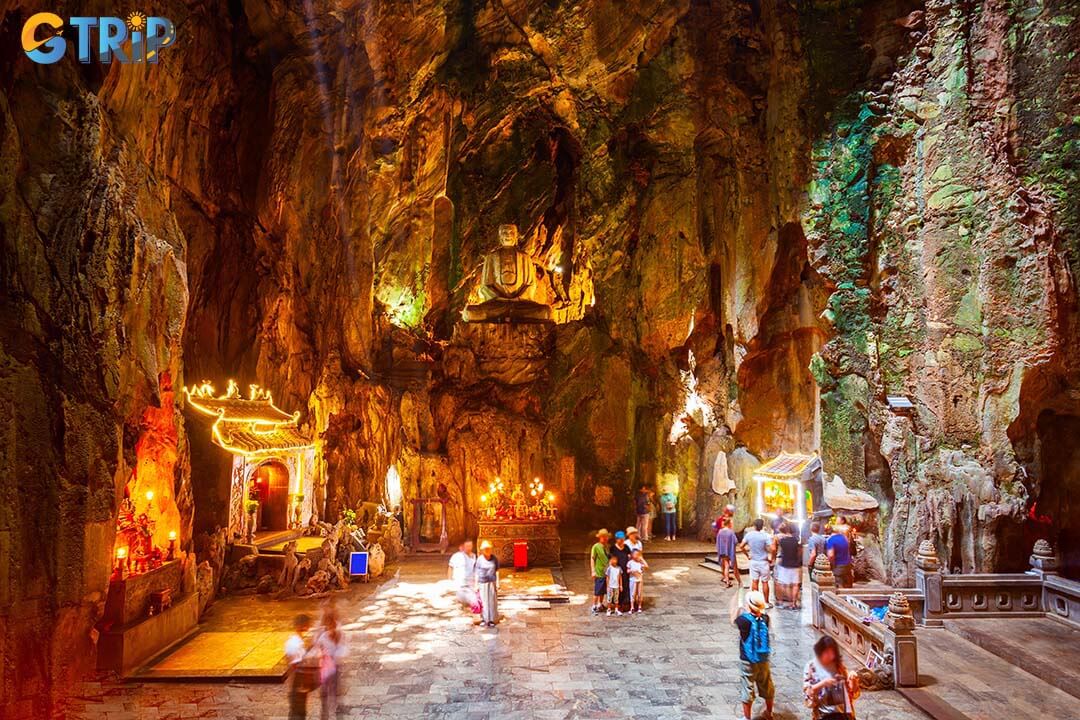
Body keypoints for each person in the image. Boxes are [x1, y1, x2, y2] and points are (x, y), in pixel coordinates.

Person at [730, 590, 774, 720]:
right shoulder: (766, 618)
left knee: (747, 687)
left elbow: (733, 619)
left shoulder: (743, 621)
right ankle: (769, 712)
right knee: (767, 685)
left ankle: (747, 717)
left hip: (748, 660)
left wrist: (735, 605)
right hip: (763, 659)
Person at [803, 635, 860, 720]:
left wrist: (853, 680)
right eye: (826, 652)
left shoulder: (839, 666)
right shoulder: (812, 667)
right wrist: (823, 683)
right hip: (824, 715)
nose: (830, 656)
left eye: (832, 653)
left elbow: (852, 693)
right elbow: (808, 692)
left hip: (844, 714)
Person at [285, 613, 320, 720]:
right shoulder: (295, 644)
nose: (308, 627)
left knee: (299, 711)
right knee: (298, 713)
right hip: (298, 682)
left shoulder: (295, 641)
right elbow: (295, 666)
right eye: (307, 625)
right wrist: (300, 685)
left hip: (298, 682)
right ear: (302, 625)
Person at [315, 604, 346, 720]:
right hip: (326, 665)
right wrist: (322, 654)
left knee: (334, 687)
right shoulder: (323, 635)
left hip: (334, 666)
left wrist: (335, 658)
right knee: (326, 688)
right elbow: (318, 646)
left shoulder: (338, 634)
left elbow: (342, 649)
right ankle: (325, 710)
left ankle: (335, 706)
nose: (331, 629)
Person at [739, 519, 775, 607]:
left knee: (754, 581)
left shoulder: (749, 535)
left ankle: (755, 602)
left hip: (753, 561)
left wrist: (747, 555)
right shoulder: (765, 536)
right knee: (765, 582)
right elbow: (773, 548)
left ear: (754, 526)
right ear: (762, 526)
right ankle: (766, 602)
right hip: (763, 561)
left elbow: (741, 546)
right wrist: (771, 558)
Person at [775, 522, 802, 609]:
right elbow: (800, 553)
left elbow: (778, 550)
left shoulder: (782, 541)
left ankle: (789, 600)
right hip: (795, 565)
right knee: (795, 585)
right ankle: (794, 603)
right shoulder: (796, 541)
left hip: (785, 565)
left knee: (785, 585)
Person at [475, 540, 500, 627]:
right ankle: (483, 619)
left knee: (492, 601)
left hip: (492, 582)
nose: (487, 550)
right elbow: (476, 573)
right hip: (482, 582)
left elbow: (497, 571)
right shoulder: (479, 559)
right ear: (482, 550)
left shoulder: (494, 559)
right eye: (485, 549)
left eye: (488, 549)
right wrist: (476, 585)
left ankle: (491, 620)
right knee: (483, 601)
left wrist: (498, 583)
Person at [447, 540, 477, 609]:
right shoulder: (457, 556)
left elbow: (475, 570)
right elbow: (450, 568)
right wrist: (449, 580)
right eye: (467, 546)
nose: (469, 548)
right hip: (460, 584)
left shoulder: (474, 556)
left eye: (470, 546)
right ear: (463, 547)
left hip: (470, 584)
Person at [610, 530, 633, 610]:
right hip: (617, 571)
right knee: (617, 586)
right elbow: (611, 559)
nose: (622, 541)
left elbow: (630, 556)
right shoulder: (613, 548)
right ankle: (617, 603)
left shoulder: (626, 547)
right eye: (620, 539)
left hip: (625, 571)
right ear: (616, 539)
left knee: (625, 586)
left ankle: (624, 602)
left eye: (623, 539)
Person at [590, 529, 610, 614]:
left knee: (603, 590)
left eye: (606, 537)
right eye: (603, 537)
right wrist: (593, 570)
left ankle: (600, 604)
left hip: (606, 572)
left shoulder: (607, 547)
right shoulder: (596, 546)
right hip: (599, 572)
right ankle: (594, 605)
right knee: (597, 590)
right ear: (600, 537)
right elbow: (592, 558)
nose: (605, 539)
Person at [715, 517, 738, 588]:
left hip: (722, 550)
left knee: (724, 564)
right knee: (727, 565)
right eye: (731, 523)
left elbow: (717, 541)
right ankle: (727, 581)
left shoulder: (720, 531)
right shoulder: (731, 532)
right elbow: (735, 541)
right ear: (729, 524)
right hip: (728, 551)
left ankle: (725, 578)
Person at [627, 548, 648, 613]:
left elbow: (646, 567)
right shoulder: (630, 562)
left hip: (640, 580)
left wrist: (642, 559)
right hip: (633, 579)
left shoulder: (640, 563)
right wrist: (631, 571)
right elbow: (627, 570)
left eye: (638, 554)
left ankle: (639, 606)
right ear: (632, 555)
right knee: (632, 593)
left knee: (639, 593)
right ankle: (632, 607)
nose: (637, 555)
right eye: (635, 554)